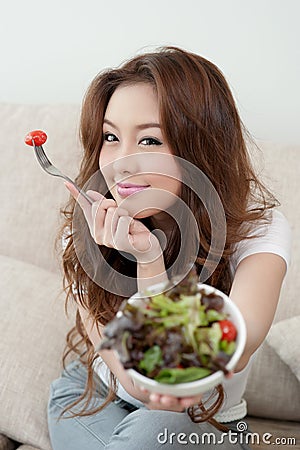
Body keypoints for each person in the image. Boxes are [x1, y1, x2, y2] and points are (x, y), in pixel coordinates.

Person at [47, 46, 291, 449]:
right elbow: (139, 386)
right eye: (110, 136)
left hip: (208, 423)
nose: (121, 162)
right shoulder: (84, 233)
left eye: (149, 140)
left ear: (200, 146)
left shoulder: (258, 231)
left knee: (152, 433)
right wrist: (147, 255)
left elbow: (230, 350)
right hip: (95, 398)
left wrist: (149, 260)